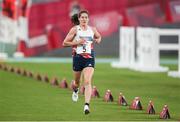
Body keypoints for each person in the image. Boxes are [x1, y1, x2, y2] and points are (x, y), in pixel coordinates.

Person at [63, 10, 101, 115]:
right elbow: (64, 43)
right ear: (79, 19)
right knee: (76, 82)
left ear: (88, 19)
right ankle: (75, 90)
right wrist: (77, 42)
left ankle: (86, 106)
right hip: (77, 58)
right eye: (82, 17)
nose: (84, 19)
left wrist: (98, 40)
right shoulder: (75, 30)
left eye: (86, 17)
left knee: (87, 81)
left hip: (89, 58)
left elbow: (99, 36)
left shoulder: (92, 29)